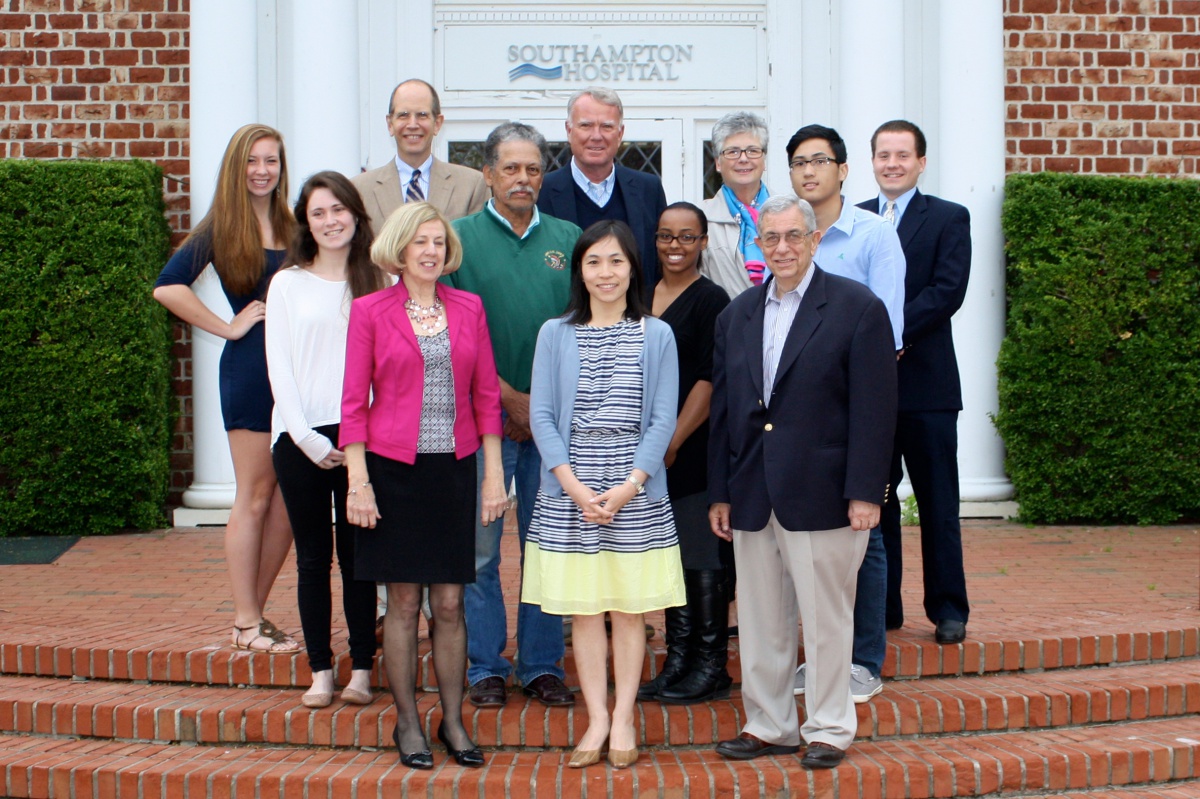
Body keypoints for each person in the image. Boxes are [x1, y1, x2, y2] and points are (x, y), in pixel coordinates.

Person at [709, 195, 896, 769]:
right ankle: (769, 725)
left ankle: (830, 728)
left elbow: (877, 408)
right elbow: (726, 409)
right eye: (772, 238)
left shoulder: (856, 307)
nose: (783, 247)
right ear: (758, 244)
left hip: (827, 491)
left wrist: (868, 491)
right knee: (762, 619)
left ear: (815, 241)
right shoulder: (736, 313)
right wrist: (720, 489)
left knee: (826, 619)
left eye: (795, 236)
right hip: (752, 491)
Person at [341, 202, 506, 770]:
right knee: (405, 602)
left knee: (452, 602)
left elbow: (487, 398)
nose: (432, 251)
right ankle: (408, 722)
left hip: (454, 471)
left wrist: (493, 477)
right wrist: (358, 482)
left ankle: (454, 720)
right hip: (392, 471)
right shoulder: (370, 311)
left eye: (438, 242)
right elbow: (352, 406)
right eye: (421, 242)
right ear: (400, 249)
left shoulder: (469, 307)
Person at [522, 220, 684, 769]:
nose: (605, 273)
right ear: (580, 270)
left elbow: (663, 418)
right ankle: (594, 718)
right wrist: (571, 484)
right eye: (594, 262)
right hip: (569, 486)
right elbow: (542, 415)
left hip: (633, 487)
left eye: (616, 261)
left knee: (630, 610)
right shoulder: (555, 332)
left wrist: (629, 485)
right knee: (585, 613)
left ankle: (624, 717)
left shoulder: (656, 334)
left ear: (633, 267)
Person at [445, 122, 581, 709]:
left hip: (553, 423)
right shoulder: (456, 239)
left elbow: (585, 329)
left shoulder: (570, 237)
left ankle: (542, 663)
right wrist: (507, 398)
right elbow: (450, 333)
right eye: (510, 168)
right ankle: (483, 666)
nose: (522, 179)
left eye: (532, 169)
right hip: (481, 424)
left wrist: (542, 407)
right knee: (479, 551)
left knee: (547, 547)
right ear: (488, 174)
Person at [153, 123, 300, 654]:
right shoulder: (221, 227)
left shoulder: (295, 223)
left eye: (272, 161)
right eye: (253, 161)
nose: (263, 171)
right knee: (257, 494)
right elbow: (167, 287)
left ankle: (254, 617)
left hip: (299, 375)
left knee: (290, 501)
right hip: (251, 371)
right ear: (237, 168)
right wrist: (228, 325)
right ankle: (244, 622)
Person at [787, 123, 905, 704]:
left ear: (842, 169)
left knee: (867, 530)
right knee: (807, 540)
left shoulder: (874, 236)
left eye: (820, 161)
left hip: (855, 409)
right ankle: (819, 657)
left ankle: (863, 659)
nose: (809, 172)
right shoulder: (784, 231)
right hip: (793, 418)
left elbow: (890, 334)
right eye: (799, 162)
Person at [265, 171, 388, 708]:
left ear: (356, 216)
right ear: (306, 223)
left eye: (339, 209)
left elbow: (389, 367)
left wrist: (368, 430)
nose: (331, 220)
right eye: (319, 212)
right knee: (314, 558)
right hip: (299, 436)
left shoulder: (379, 280)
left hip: (364, 436)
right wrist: (306, 438)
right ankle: (320, 669)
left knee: (361, 556)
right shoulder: (288, 283)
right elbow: (280, 367)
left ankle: (362, 668)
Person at [858, 120, 971, 644]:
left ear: (921, 162)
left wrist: (890, 331)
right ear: (872, 161)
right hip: (870, 390)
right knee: (876, 500)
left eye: (903, 155)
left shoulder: (948, 218)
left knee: (937, 500)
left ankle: (949, 608)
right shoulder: (854, 220)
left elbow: (948, 291)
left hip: (927, 388)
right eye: (884, 155)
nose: (892, 164)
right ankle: (884, 606)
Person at [637, 203, 733, 705]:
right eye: (666, 236)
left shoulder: (712, 299)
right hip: (644, 451)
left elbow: (709, 378)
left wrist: (670, 442)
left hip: (689, 447)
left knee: (699, 555)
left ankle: (711, 664)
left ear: (703, 243)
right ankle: (678, 658)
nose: (675, 246)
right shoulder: (639, 295)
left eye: (687, 237)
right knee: (667, 559)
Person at [537, 87, 668, 293]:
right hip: (566, 319)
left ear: (620, 133)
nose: (596, 136)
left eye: (606, 126)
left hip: (633, 320)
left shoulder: (648, 189)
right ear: (569, 130)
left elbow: (660, 266)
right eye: (586, 125)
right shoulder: (541, 192)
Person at [352, 78, 489, 236]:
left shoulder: (472, 186)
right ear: (390, 124)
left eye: (422, 115)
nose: (412, 124)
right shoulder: (359, 190)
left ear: (437, 123)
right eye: (403, 115)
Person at [700, 111, 774, 298]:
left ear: (764, 160)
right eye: (732, 151)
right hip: (728, 322)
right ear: (718, 163)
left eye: (753, 150)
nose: (743, 158)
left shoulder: (789, 212)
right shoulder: (701, 218)